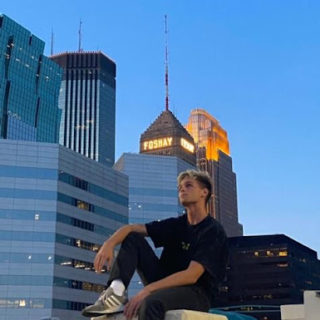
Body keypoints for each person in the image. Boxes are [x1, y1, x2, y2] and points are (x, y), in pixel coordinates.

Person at [82, 169, 228, 320]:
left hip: (195, 292)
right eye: (180, 188)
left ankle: (143, 296)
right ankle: (116, 292)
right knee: (133, 237)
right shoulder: (176, 225)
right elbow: (131, 228)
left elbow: (191, 275)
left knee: (150, 302)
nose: (182, 189)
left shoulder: (212, 231)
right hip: (164, 283)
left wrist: (148, 290)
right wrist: (109, 244)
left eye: (189, 185)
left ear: (204, 192)